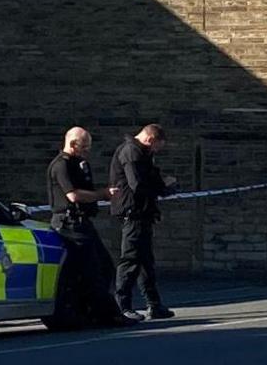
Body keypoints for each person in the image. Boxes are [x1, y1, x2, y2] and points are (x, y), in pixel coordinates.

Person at [41, 127, 122, 328]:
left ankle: (93, 312)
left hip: (82, 221)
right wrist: (102, 194)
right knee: (92, 268)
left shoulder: (78, 163)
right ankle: (106, 315)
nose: (86, 151)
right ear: (72, 143)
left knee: (102, 266)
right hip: (68, 224)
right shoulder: (61, 165)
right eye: (84, 147)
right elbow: (73, 195)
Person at [114, 121, 171, 321]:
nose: (156, 151)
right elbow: (137, 184)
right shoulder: (131, 152)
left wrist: (164, 187)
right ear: (150, 139)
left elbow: (149, 179)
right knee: (130, 261)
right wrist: (159, 189)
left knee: (146, 262)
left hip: (143, 213)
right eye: (157, 146)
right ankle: (122, 306)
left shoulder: (142, 154)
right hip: (133, 214)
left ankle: (154, 304)